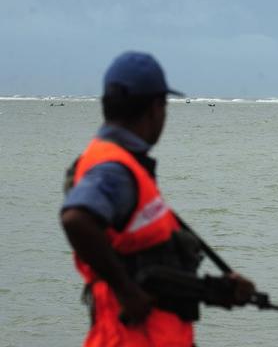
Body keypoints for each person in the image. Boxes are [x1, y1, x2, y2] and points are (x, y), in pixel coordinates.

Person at [60, 51, 255, 346]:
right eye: (165, 106)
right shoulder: (114, 169)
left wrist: (219, 290)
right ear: (155, 108)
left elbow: (151, 266)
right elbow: (76, 218)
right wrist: (125, 290)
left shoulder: (126, 166)